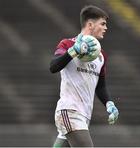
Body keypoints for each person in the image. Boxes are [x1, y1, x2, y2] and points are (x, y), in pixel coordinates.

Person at [50, 5, 119, 147]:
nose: (105, 28)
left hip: (84, 115)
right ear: (90, 24)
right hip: (70, 111)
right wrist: (73, 51)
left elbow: (100, 85)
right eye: (103, 24)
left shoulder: (101, 56)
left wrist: (109, 103)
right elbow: (53, 66)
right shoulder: (68, 44)